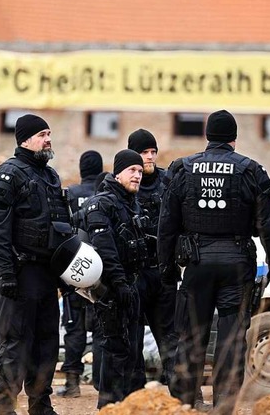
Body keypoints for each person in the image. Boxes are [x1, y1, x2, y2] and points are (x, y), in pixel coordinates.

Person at [158, 110, 270, 411]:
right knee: (231, 343)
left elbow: (167, 225)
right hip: (237, 264)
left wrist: (167, 269)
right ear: (234, 140)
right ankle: (224, 407)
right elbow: (269, 226)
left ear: (207, 137)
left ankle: (186, 406)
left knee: (191, 340)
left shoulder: (183, 169)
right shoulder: (250, 170)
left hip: (197, 264)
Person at [0, 114, 71, 415]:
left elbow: (61, 228)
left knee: (47, 344)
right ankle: (3, 407)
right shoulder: (10, 173)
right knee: (15, 345)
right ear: (24, 139)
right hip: (20, 275)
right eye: (41, 134)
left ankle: (40, 406)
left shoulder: (50, 177)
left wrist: (65, 274)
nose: (48, 139)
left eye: (49, 133)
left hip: (47, 277)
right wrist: (5, 273)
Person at [82, 149, 153, 408]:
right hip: (112, 290)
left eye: (139, 171)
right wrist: (119, 282)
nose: (137, 176)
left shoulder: (131, 203)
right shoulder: (101, 203)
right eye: (131, 171)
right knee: (115, 352)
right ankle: (108, 408)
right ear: (118, 173)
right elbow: (105, 247)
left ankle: (128, 408)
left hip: (132, 286)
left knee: (133, 353)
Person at [126, 128, 177, 389]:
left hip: (162, 271)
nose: (149, 157)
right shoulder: (124, 183)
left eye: (152, 152)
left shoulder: (168, 181)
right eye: (144, 152)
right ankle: (135, 397)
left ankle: (183, 396)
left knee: (170, 336)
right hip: (134, 274)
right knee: (132, 338)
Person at [57, 150, 103, 398]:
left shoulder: (70, 194)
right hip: (99, 270)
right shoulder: (104, 193)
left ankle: (73, 383)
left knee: (73, 327)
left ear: (82, 168)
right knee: (100, 327)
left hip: (73, 269)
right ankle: (99, 381)